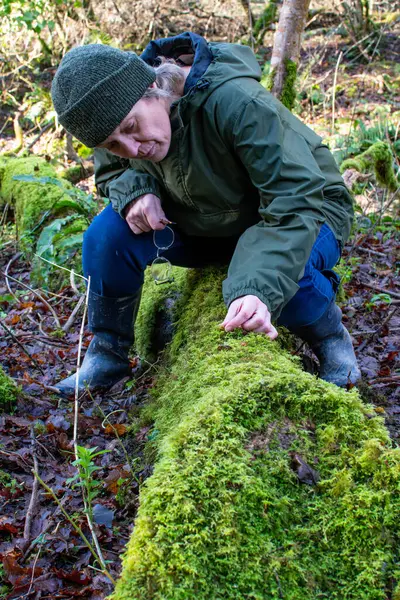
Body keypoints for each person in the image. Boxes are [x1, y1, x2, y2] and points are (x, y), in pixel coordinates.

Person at [51, 31, 361, 395]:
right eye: (113, 144)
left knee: (284, 281)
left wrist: (256, 289)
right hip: (205, 220)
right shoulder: (112, 118)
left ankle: (330, 337)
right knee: (107, 237)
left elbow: (294, 199)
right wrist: (136, 192)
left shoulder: (236, 102)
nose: (132, 149)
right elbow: (112, 174)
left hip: (309, 210)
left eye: (131, 128)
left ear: (152, 87)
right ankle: (108, 351)